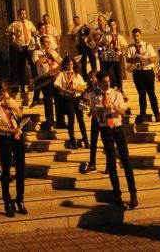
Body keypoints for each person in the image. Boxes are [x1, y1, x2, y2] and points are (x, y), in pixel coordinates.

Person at [90, 72, 138, 209]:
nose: (107, 83)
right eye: (104, 81)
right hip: (105, 129)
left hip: (117, 127)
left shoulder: (116, 94)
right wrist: (97, 112)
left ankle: (133, 192)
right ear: (99, 82)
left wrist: (113, 107)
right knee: (111, 162)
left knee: (125, 160)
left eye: (109, 81)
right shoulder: (94, 95)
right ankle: (117, 194)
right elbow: (93, 111)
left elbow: (123, 111)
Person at [0, 81, 27, 217]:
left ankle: (20, 200)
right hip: (5, 138)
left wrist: (14, 107)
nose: (4, 96)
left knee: (21, 169)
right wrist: (9, 131)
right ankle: (7, 203)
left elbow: (20, 115)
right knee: (6, 171)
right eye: (1, 93)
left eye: (5, 92)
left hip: (17, 135)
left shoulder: (10, 101)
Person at [126, 28, 160, 123]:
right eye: (134, 36)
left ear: (140, 35)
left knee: (152, 94)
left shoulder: (147, 45)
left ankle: (157, 115)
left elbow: (154, 58)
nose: (136, 37)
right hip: (137, 72)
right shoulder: (131, 47)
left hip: (148, 71)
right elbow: (128, 59)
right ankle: (143, 115)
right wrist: (137, 58)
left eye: (137, 35)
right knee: (141, 94)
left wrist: (147, 58)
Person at [54, 56, 88, 149]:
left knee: (81, 119)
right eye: (68, 64)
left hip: (78, 98)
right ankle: (72, 140)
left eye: (71, 64)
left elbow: (84, 86)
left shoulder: (77, 74)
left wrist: (78, 88)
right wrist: (66, 91)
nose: (70, 66)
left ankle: (85, 139)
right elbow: (57, 86)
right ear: (65, 64)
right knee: (71, 120)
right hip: (68, 99)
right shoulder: (62, 74)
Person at [32, 36, 62, 130]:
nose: (48, 44)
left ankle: (60, 121)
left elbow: (61, 62)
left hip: (56, 78)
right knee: (48, 101)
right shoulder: (36, 52)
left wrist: (52, 55)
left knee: (59, 100)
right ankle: (49, 122)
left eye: (49, 42)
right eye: (46, 42)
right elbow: (37, 63)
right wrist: (46, 56)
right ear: (41, 43)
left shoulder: (53, 51)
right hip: (46, 80)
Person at [6, 9, 37, 102]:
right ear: (19, 15)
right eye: (22, 14)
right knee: (21, 67)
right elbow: (7, 32)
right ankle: (22, 87)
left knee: (33, 65)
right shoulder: (15, 24)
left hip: (29, 47)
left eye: (25, 13)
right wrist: (13, 42)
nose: (23, 15)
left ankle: (35, 82)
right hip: (20, 47)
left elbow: (34, 32)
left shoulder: (29, 23)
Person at [80, 71, 102, 174]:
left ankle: (108, 165)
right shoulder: (88, 90)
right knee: (93, 142)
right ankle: (92, 164)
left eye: (94, 77)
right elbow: (83, 102)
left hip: (103, 118)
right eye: (90, 78)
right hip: (95, 119)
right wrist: (88, 109)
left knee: (107, 142)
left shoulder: (101, 89)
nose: (92, 79)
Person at [98, 19, 127, 88]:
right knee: (110, 73)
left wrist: (121, 47)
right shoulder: (105, 35)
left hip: (117, 54)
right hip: (108, 55)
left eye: (113, 25)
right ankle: (112, 87)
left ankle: (120, 88)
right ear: (109, 26)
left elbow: (125, 45)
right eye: (110, 25)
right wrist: (103, 44)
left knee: (118, 73)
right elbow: (100, 45)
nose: (112, 26)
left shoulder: (119, 35)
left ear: (116, 25)